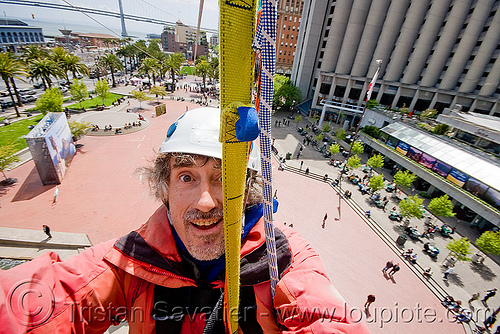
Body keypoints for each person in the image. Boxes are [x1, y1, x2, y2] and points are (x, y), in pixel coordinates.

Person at [0, 107, 369, 333]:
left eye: (225, 178)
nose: (206, 202)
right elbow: (47, 301)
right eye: (187, 177)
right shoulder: (130, 261)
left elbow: (326, 319)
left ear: (251, 191)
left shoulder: (283, 259)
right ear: (165, 189)